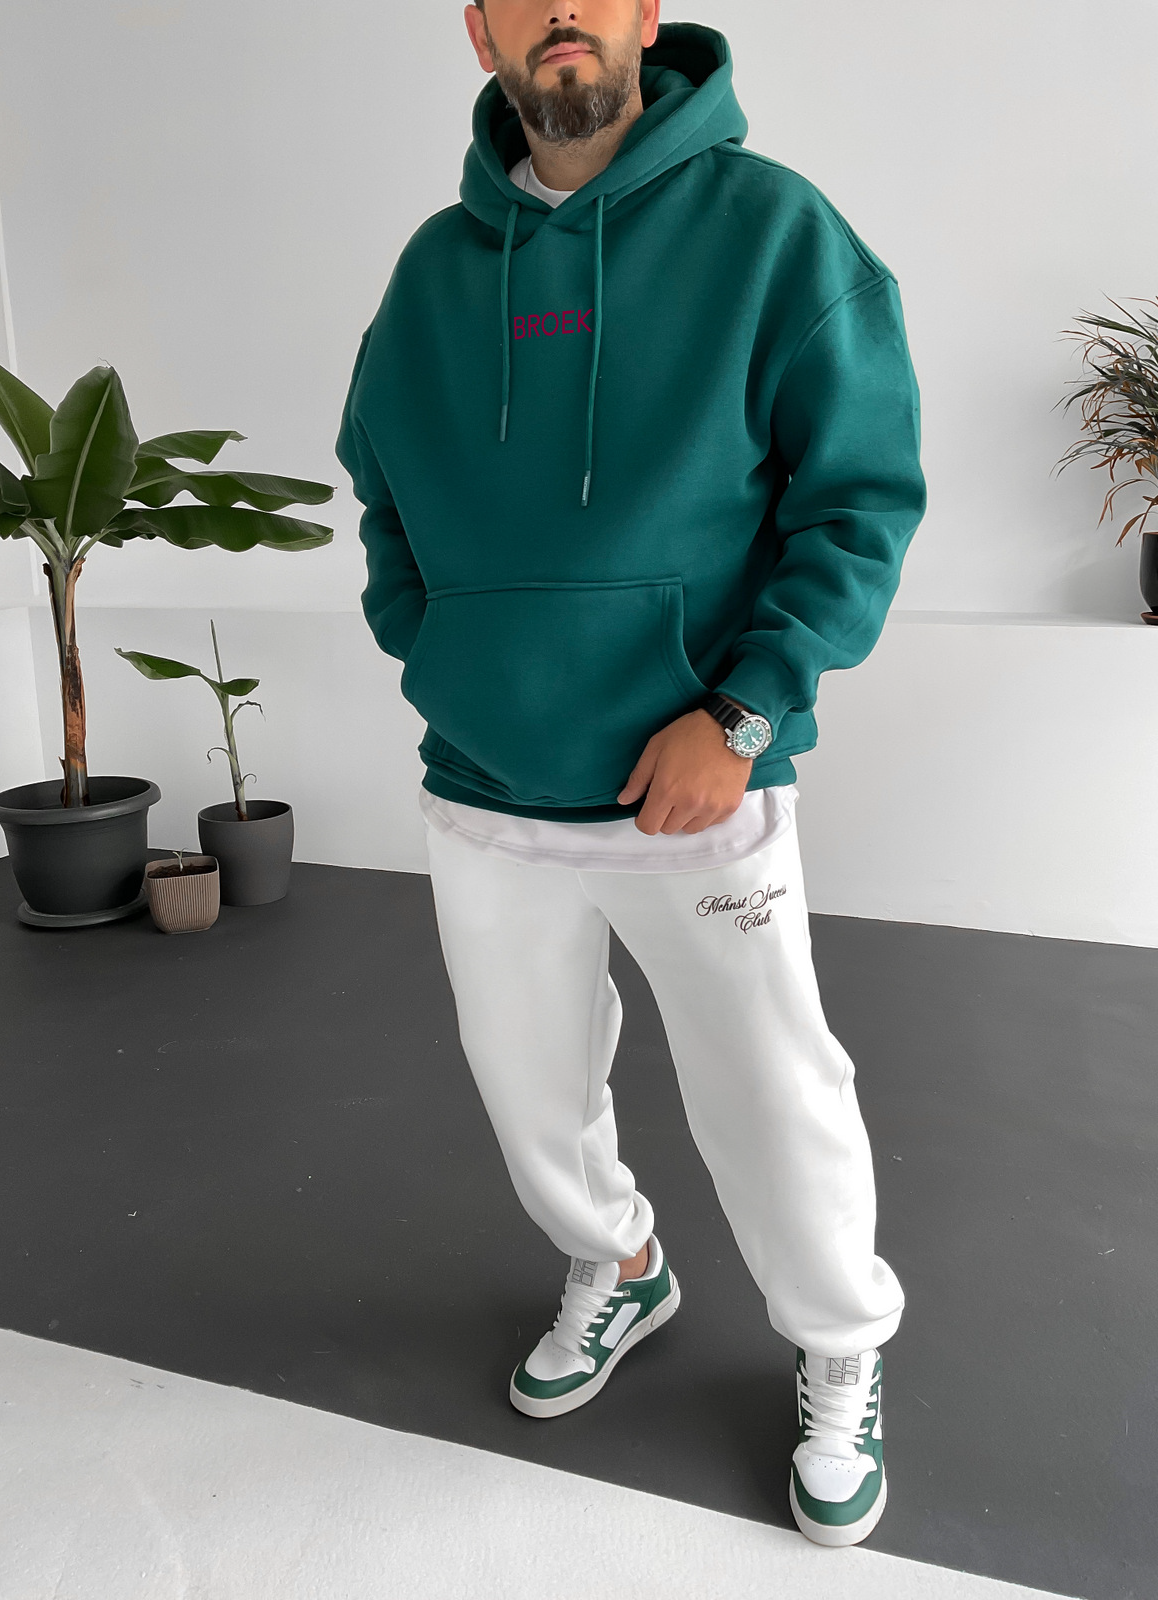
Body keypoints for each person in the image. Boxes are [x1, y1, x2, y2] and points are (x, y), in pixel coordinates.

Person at [335, 0, 926, 1549]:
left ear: (644, 15)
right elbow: (378, 491)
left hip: (697, 782)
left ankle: (840, 1343)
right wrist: (439, 652)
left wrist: (742, 714)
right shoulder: (434, 270)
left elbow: (859, 500)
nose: (562, 15)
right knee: (530, 1086)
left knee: (770, 1088)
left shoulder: (774, 233)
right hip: (486, 782)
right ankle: (618, 1263)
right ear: (481, 34)